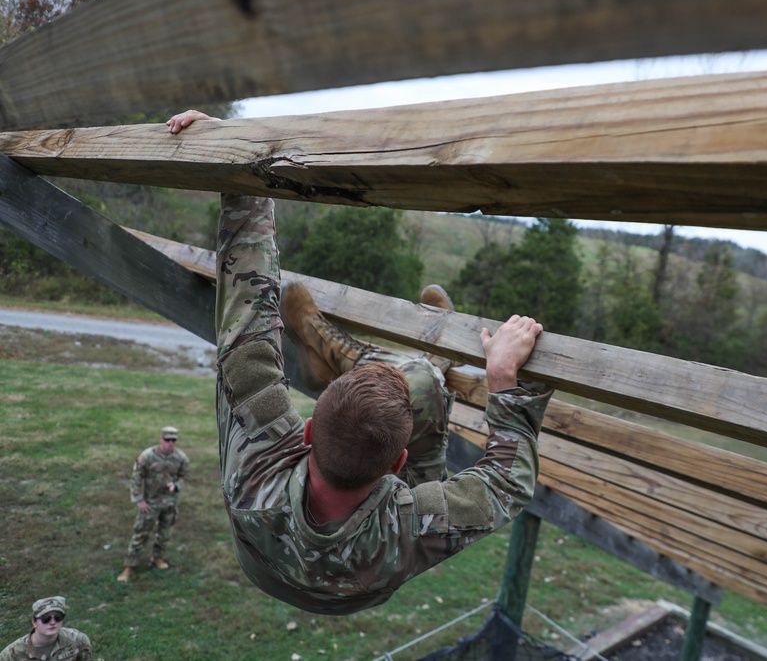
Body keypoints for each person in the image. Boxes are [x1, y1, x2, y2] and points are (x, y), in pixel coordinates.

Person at [167, 110, 552, 615]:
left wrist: (240, 151)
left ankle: (361, 360)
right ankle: (420, 364)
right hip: (358, 587)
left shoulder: (256, 468)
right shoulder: (411, 520)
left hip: (266, 566)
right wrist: (503, 377)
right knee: (427, 386)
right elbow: (507, 483)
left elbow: (245, 325)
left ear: (305, 431)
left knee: (417, 379)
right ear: (401, 463)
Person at [117, 425, 190, 582]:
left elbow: (184, 476)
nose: (170, 443)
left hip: (169, 502)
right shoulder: (148, 456)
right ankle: (129, 567)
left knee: (164, 533)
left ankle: (157, 558)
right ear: (161, 439)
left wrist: (176, 485)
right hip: (150, 502)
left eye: (173, 440)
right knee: (141, 533)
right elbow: (136, 478)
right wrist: (139, 499)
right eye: (167, 439)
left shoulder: (181, 458)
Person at [0, 596, 92, 661]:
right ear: (34, 622)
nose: (52, 622)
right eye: (45, 618)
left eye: (58, 617)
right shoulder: (12, 654)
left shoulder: (78, 641)